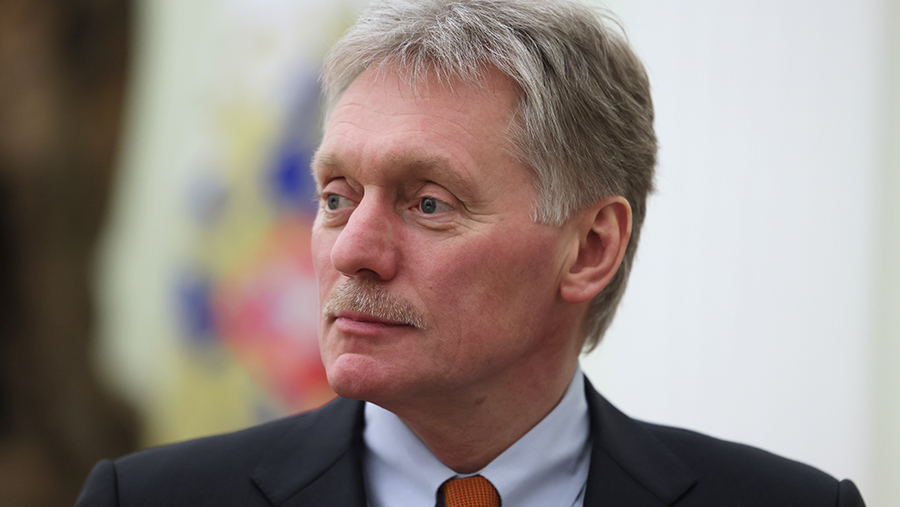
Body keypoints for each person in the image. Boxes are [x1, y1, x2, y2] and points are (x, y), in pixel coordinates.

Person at [75, 0, 866, 505]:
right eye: (336, 197)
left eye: (428, 202)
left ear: (589, 248)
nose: (354, 251)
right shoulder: (146, 499)